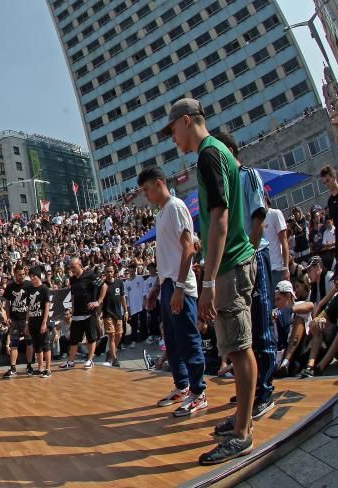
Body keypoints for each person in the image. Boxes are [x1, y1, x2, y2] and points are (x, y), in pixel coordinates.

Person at [162, 98, 257, 464]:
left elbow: (219, 218)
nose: (173, 139)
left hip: (230, 262)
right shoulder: (220, 152)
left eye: (173, 130)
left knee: (238, 348)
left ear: (187, 121)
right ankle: (242, 416)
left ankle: (243, 433)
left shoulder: (207, 154)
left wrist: (208, 282)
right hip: (232, 259)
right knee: (236, 346)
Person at [216, 132, 279, 419]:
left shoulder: (247, 176)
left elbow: (258, 221)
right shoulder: (226, 186)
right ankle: (250, 388)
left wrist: (249, 256)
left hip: (254, 257)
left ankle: (264, 391)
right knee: (247, 331)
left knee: (261, 325)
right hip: (239, 262)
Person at [139, 166, 206, 417]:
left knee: (188, 340)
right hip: (168, 284)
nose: (146, 195)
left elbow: (189, 248)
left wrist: (178, 287)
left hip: (181, 285)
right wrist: (158, 287)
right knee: (173, 341)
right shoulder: (161, 214)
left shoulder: (176, 207)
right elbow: (167, 255)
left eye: (146, 189)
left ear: (159, 183)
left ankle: (199, 393)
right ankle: (183, 387)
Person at [60, 258, 105, 370]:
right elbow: (73, 296)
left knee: (91, 338)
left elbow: (104, 286)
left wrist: (98, 302)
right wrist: (72, 308)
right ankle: (71, 362)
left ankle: (90, 360)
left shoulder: (90, 275)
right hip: (77, 314)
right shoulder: (72, 279)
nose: (72, 269)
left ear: (79, 265)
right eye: (70, 267)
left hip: (89, 314)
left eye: (73, 267)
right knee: (74, 339)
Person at [24, 266, 53, 377]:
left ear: (39, 276)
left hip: (41, 320)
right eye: (30, 277)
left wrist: (44, 322)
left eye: (33, 276)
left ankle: (48, 368)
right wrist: (27, 323)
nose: (32, 279)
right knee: (37, 346)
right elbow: (28, 308)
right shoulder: (30, 290)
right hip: (32, 321)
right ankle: (40, 367)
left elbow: (47, 306)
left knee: (45, 345)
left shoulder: (44, 289)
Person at [100, 265, 128, 367]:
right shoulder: (102, 285)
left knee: (119, 335)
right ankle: (115, 359)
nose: (109, 273)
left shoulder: (119, 282)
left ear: (114, 272)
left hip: (118, 313)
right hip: (107, 313)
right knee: (111, 335)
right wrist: (99, 313)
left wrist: (125, 311)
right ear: (105, 272)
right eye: (107, 271)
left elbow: (122, 297)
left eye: (111, 271)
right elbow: (100, 300)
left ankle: (110, 353)